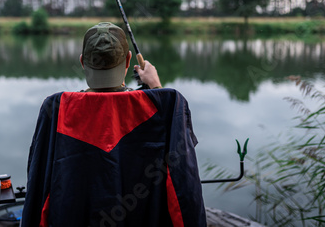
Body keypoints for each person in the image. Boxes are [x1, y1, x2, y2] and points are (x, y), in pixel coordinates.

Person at [20, 22, 207, 227]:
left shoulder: (57, 108)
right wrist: (156, 87)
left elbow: (37, 184)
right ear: (128, 60)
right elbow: (183, 186)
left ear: (83, 62)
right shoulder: (169, 103)